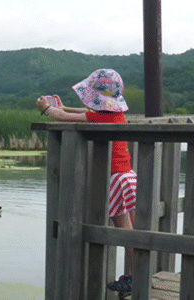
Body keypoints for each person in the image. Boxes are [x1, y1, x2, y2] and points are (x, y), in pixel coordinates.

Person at [36, 69, 138, 293]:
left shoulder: (101, 116)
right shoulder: (115, 115)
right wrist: (62, 107)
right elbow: (80, 112)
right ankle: (137, 273)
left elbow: (63, 119)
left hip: (116, 179)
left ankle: (134, 278)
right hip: (128, 175)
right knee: (133, 228)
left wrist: (47, 109)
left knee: (124, 230)